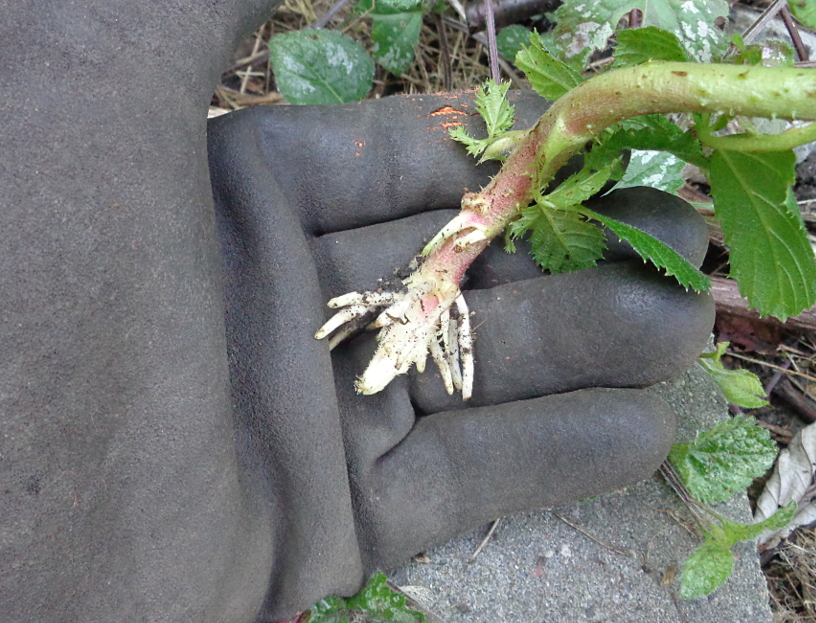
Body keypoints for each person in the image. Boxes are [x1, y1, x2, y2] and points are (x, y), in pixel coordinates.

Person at [0, 1, 714, 621]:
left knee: (462, 344)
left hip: (425, 306)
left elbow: (433, 345)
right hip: (395, 306)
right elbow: (340, 318)